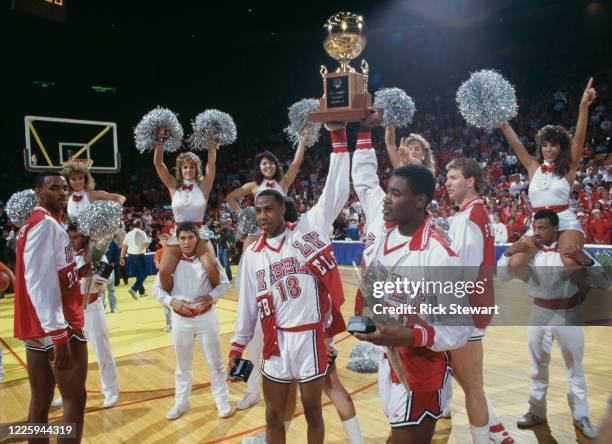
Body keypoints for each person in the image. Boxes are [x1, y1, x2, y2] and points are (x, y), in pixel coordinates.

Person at [228, 123, 349, 444]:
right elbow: (248, 306)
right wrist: (238, 345)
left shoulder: (307, 230)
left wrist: (338, 139)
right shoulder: (253, 254)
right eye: (258, 211)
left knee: (312, 410)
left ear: (284, 207)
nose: (263, 216)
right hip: (276, 342)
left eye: (269, 209)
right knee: (272, 413)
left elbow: (335, 192)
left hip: (310, 337)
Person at [351, 123, 471, 444]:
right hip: (388, 361)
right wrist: (363, 320)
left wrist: (411, 333)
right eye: (388, 191)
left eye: (395, 193)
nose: (386, 200)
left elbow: (461, 328)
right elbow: (373, 292)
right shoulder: (383, 238)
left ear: (420, 201)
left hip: (421, 370)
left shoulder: (440, 254)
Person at [498, 210, 608, 439]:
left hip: (568, 312)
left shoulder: (571, 250)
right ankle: (536, 412)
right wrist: (507, 254)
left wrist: (585, 259)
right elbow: (505, 275)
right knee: (538, 366)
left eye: (542, 228)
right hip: (539, 312)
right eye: (535, 228)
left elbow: (603, 281)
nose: (537, 233)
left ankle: (581, 417)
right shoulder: (531, 254)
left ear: (555, 229)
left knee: (574, 369)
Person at [13, 171, 87, 443]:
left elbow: (49, 271)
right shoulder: (44, 223)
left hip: (36, 326)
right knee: (74, 399)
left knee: (41, 399)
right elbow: (39, 281)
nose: (62, 192)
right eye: (54, 188)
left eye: (64, 187)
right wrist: (58, 333)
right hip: (58, 325)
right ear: (38, 193)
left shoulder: (34, 223)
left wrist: (77, 271)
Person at [444, 158, 512, 444]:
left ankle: (489, 437)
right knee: (460, 374)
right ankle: (496, 429)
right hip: (467, 308)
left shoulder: (472, 217)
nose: (447, 183)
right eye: (447, 177)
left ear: (470, 181)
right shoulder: (470, 214)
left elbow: (465, 273)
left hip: (466, 309)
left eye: (454, 177)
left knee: (472, 385)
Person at [499, 78, 596, 271]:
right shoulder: (533, 166)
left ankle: (579, 296)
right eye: (544, 144)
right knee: (516, 264)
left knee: (570, 264)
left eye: (553, 145)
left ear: (561, 148)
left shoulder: (569, 167)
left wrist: (583, 106)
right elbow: (515, 142)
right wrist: (501, 120)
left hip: (565, 221)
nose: (548, 149)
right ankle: (542, 291)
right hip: (538, 225)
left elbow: (579, 137)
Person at [152, 222, 232, 420]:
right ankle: (182, 401)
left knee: (216, 362)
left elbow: (225, 284)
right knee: (183, 365)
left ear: (197, 239)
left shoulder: (209, 260)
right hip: (181, 319)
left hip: (206, 316)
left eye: (190, 237)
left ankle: (222, 400)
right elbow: (156, 290)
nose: (187, 242)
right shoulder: (170, 262)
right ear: (177, 241)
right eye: (182, 238)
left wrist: (210, 297)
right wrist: (172, 302)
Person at [53, 225, 120, 409]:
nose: (71, 241)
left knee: (102, 351)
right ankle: (67, 392)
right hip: (70, 311)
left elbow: (95, 291)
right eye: (70, 237)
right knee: (69, 355)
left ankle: (111, 391)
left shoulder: (98, 255)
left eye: (75, 237)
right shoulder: (64, 256)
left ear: (84, 237)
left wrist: (89, 290)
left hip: (90, 309)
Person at [152, 128, 220, 295]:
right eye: (184, 167)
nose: (188, 170)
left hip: (199, 233)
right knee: (164, 271)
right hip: (179, 234)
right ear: (180, 170)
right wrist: (159, 141)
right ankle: (174, 301)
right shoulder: (173, 186)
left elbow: (211, 164)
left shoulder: (204, 186)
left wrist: (212, 143)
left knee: (211, 268)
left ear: (196, 169)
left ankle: (211, 300)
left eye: (191, 167)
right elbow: (158, 164)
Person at [226, 128, 309, 251]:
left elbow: (296, 163)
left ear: (276, 166)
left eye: (271, 163)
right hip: (257, 228)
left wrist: (302, 140)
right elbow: (230, 197)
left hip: (280, 228)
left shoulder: (283, 182)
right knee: (247, 258)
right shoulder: (253, 185)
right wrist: (241, 215)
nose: (268, 166)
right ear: (259, 167)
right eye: (264, 164)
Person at [61, 159, 126, 222]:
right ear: (68, 181)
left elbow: (121, 198)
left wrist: (105, 215)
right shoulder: (68, 197)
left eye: (80, 178)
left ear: (85, 179)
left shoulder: (92, 194)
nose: (78, 182)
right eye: (73, 179)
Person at [120, 219, 150, 299]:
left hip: (130, 255)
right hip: (139, 255)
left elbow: (124, 246)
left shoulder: (128, 234)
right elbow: (147, 245)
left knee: (138, 274)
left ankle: (142, 292)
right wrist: (149, 239)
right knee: (144, 274)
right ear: (141, 225)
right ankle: (134, 289)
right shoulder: (142, 233)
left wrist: (122, 258)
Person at [153, 232, 172, 332]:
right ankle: (169, 324)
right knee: (165, 301)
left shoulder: (174, 250)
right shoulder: (159, 252)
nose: (164, 241)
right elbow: (157, 265)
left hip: (174, 276)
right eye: (162, 239)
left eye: (166, 239)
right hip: (163, 277)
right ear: (160, 242)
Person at [104, 235, 120, 313]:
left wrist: (114, 262)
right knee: (101, 290)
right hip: (100, 268)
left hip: (109, 266)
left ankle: (113, 307)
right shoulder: (95, 242)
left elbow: (117, 253)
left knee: (111, 289)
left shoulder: (111, 243)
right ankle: (102, 308)